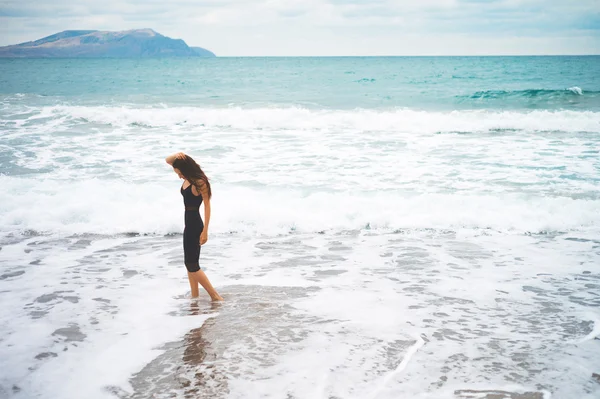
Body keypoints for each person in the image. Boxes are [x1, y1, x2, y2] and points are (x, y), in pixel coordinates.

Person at [165, 152, 223, 301]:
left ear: (185, 169)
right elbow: (168, 160)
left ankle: (215, 296)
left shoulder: (200, 182)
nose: (179, 176)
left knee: (192, 264)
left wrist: (205, 231)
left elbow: (207, 206)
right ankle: (195, 297)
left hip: (195, 225)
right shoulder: (188, 179)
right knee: (189, 263)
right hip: (188, 224)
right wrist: (179, 154)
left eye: (180, 173)